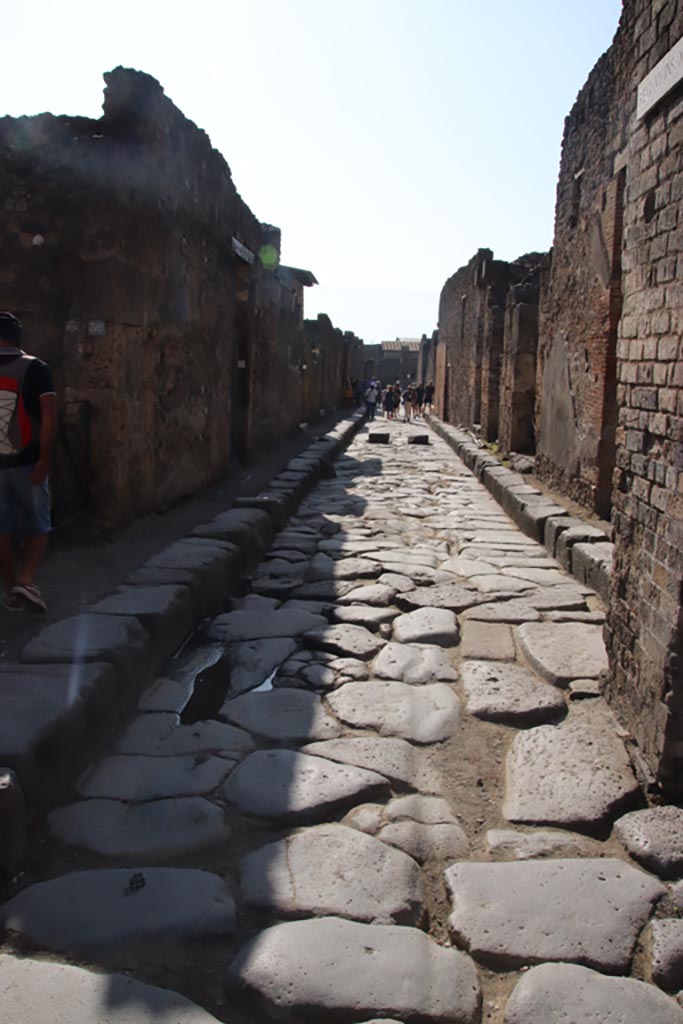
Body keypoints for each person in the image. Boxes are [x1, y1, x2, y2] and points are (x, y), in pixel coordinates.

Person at [0, 313, 57, 612]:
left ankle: (12, 593)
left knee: (1, 532)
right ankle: (25, 580)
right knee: (39, 526)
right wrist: (45, 458)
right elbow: (48, 414)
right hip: (28, 462)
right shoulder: (36, 368)